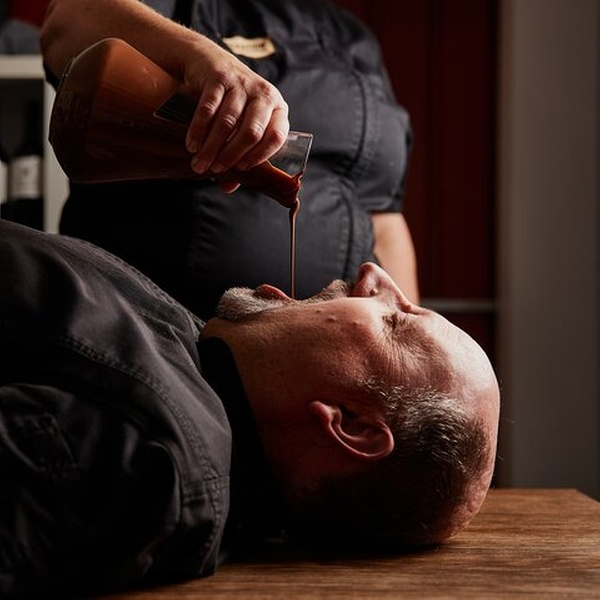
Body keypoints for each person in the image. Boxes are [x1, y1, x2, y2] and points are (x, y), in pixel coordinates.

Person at [0, 220, 499, 598]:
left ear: (351, 424)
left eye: (395, 322)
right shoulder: (198, 362)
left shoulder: (147, 465)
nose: (374, 274)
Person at [39, 0, 420, 321]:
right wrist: (204, 57)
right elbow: (66, 25)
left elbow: (383, 219)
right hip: (169, 337)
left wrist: (405, 341)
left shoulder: (350, 37)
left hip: (334, 362)